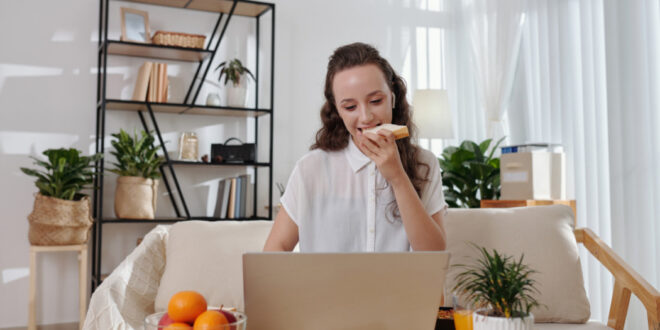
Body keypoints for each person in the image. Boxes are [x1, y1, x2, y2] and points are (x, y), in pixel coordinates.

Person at [264, 42, 447, 252]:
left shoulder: (424, 163)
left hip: (399, 286)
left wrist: (398, 177)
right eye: (350, 107)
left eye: (376, 101)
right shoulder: (311, 168)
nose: (365, 117)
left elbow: (434, 255)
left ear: (393, 98)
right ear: (337, 110)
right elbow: (274, 249)